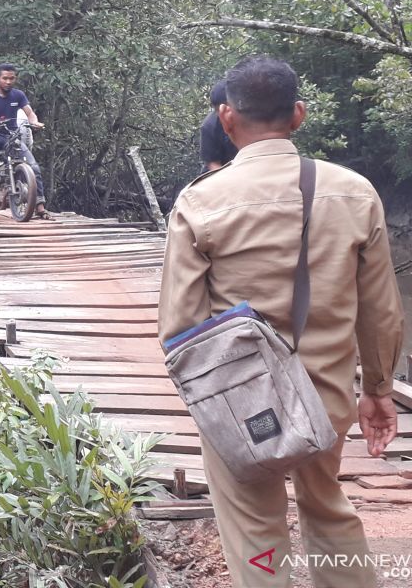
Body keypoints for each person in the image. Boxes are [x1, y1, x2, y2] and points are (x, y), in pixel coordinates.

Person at [158, 57, 404, 588]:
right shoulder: (355, 192)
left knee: (255, 526)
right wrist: (379, 390)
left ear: (226, 118)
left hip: (243, 402)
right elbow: (380, 310)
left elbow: (179, 327)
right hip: (329, 396)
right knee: (328, 506)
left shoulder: (200, 201)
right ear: (298, 114)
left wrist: (210, 405)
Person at [0, 63, 49, 218]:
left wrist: (34, 122)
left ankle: (40, 207)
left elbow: (29, 112)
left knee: (34, 168)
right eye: (5, 78)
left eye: (11, 78)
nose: (8, 82)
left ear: (15, 79)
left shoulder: (18, 95)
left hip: (12, 136)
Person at [200, 79, 238, 171]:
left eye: (227, 109)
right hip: (222, 172)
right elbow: (213, 164)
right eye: (218, 110)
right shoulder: (209, 126)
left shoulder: (251, 117)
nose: (223, 113)